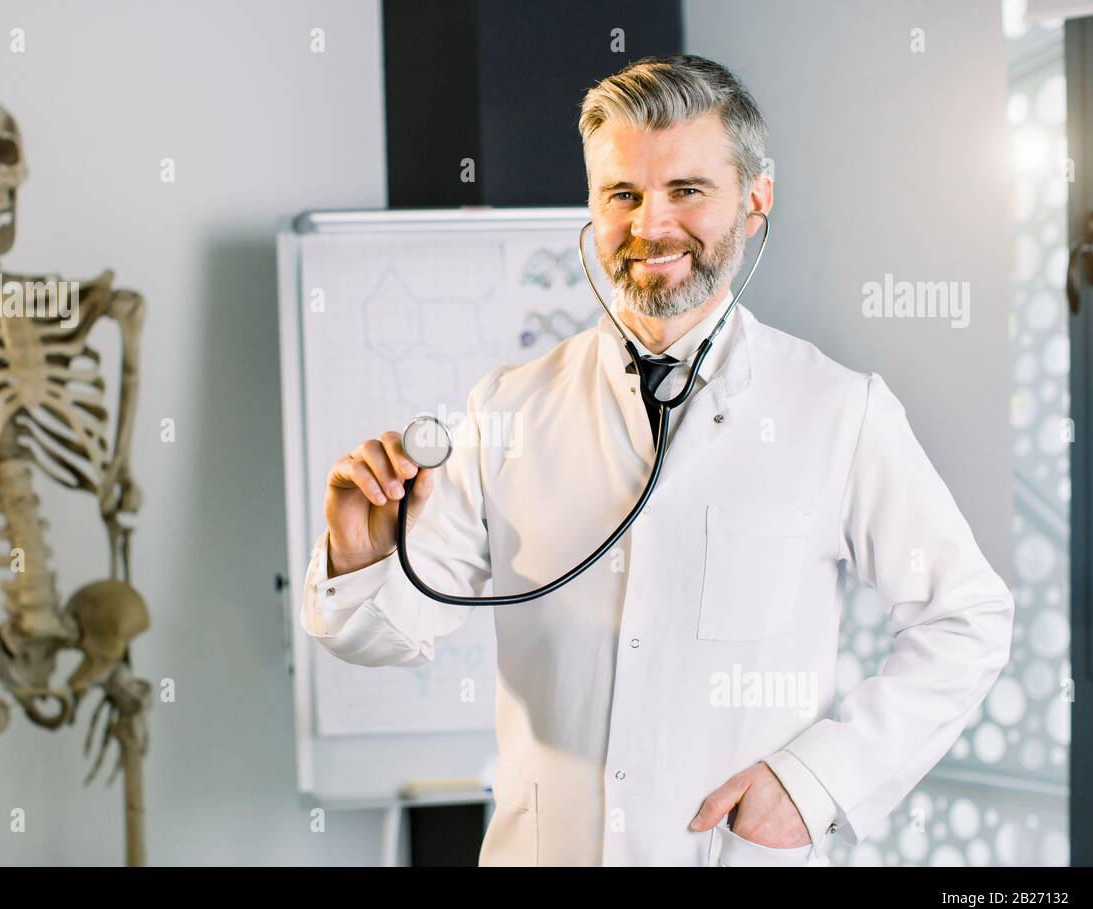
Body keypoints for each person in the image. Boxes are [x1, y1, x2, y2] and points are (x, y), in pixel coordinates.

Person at [299, 53, 1014, 866]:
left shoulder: (839, 413)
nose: (651, 226)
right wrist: (359, 554)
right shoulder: (508, 409)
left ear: (755, 201)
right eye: (623, 195)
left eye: (687, 190)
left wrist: (819, 781)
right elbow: (387, 633)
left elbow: (966, 620)